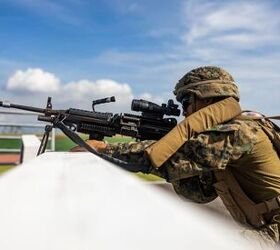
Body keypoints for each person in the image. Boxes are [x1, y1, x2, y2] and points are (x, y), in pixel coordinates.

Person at [72, 66, 280, 246]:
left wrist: (102, 148)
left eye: (186, 102)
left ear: (207, 96)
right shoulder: (231, 133)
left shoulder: (240, 132)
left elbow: (170, 159)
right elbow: (200, 194)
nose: (184, 113)